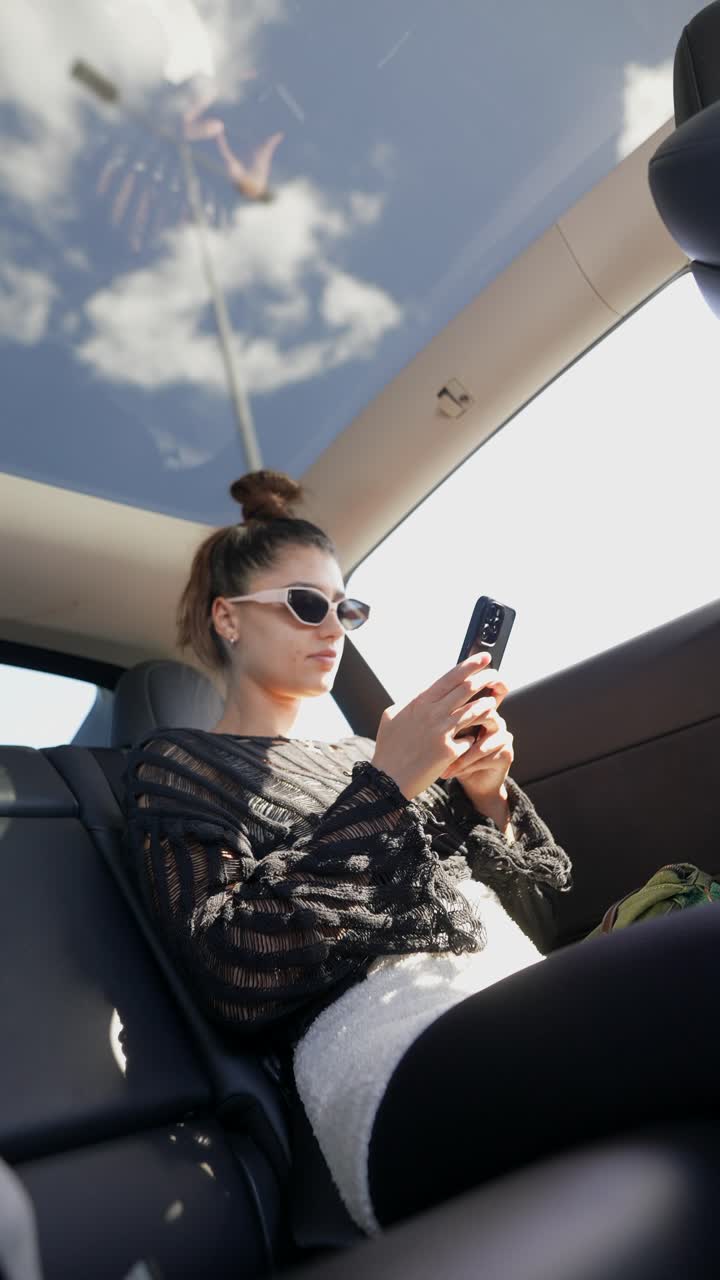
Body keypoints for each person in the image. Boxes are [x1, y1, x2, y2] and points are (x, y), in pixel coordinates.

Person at [123, 470, 720, 1236]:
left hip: (512, 995)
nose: (333, 629)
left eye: (347, 609)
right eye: (306, 606)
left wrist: (486, 795)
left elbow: (528, 920)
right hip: (390, 1055)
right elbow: (233, 968)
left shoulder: (373, 754)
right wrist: (389, 786)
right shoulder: (176, 763)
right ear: (227, 619)